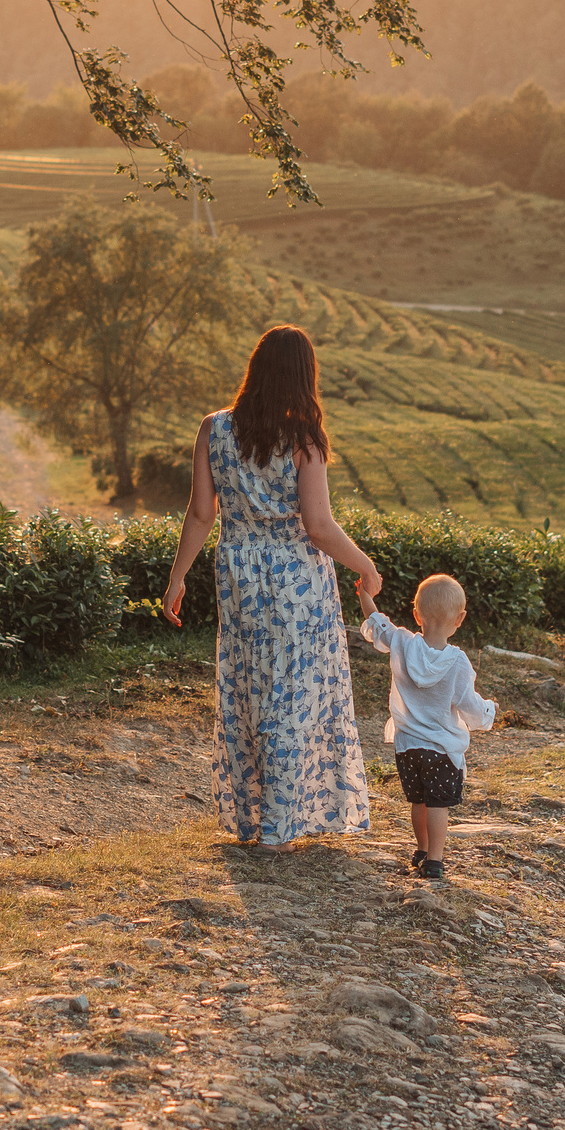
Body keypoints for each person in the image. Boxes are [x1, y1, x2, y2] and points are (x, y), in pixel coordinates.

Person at [163, 325, 383, 853]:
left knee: (248, 688)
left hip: (238, 574)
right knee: (293, 696)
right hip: (296, 580)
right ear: (304, 377)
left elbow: (200, 513)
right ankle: (281, 825)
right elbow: (320, 528)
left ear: (256, 369)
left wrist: (177, 577)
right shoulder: (304, 440)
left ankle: (254, 818)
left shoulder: (213, 429)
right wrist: (367, 566)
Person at [357, 572, 495, 880]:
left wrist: (363, 592)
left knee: (418, 801)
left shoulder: (403, 643)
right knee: (437, 806)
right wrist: (489, 711)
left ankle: (420, 849)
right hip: (442, 750)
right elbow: (470, 706)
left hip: (407, 747)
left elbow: (376, 622)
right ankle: (434, 860)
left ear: (416, 614)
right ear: (460, 619)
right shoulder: (457, 662)